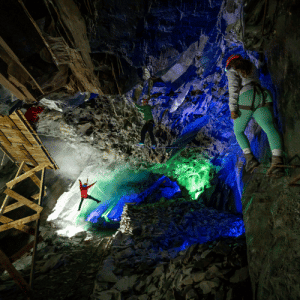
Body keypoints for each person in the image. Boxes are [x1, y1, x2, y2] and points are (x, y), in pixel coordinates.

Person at [225, 54, 284, 177]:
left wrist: (232, 109)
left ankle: (250, 160)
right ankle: (277, 162)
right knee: (270, 128)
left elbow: (233, 90)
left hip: (246, 97)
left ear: (231, 64)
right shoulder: (251, 65)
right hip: (262, 95)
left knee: (239, 131)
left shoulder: (231, 70)